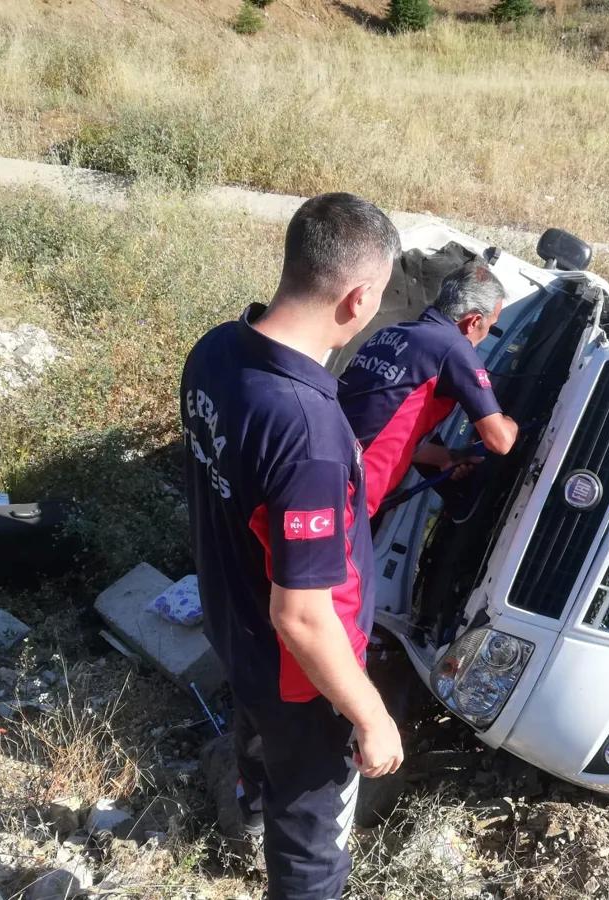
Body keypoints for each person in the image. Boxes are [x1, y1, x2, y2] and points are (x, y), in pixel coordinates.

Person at [180, 192, 403, 900]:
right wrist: (370, 716)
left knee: (257, 733)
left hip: (233, 626)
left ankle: (248, 794)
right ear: (358, 297)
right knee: (314, 847)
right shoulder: (307, 431)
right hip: (300, 676)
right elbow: (303, 618)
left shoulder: (216, 349)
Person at [338, 261, 520, 514]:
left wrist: (449, 457)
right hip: (343, 496)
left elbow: (384, 428)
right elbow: (500, 441)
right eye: (490, 326)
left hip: (317, 466)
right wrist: (512, 423)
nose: (486, 334)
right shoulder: (453, 348)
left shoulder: (390, 334)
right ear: (473, 320)